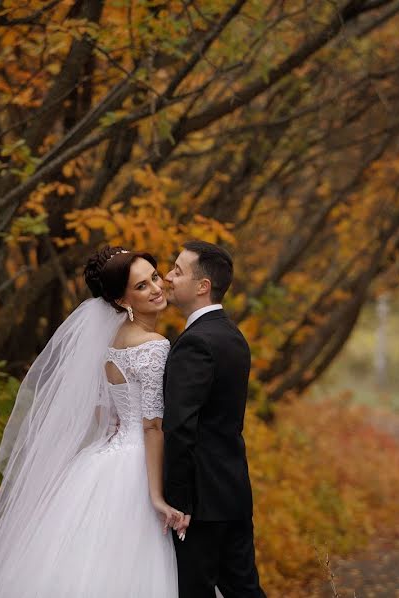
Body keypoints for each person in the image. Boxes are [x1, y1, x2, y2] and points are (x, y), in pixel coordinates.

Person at [0, 246, 181, 597]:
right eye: (141, 286)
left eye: (155, 277)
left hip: (103, 460)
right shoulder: (155, 346)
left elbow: (101, 411)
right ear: (122, 301)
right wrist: (156, 495)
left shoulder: (108, 342)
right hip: (138, 468)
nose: (156, 288)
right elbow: (152, 426)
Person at [163, 241, 266, 597]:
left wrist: (178, 502)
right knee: (244, 589)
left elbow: (179, 426)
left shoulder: (196, 343)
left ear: (202, 286)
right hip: (233, 490)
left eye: (178, 270)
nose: (168, 277)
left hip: (200, 503)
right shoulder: (232, 336)